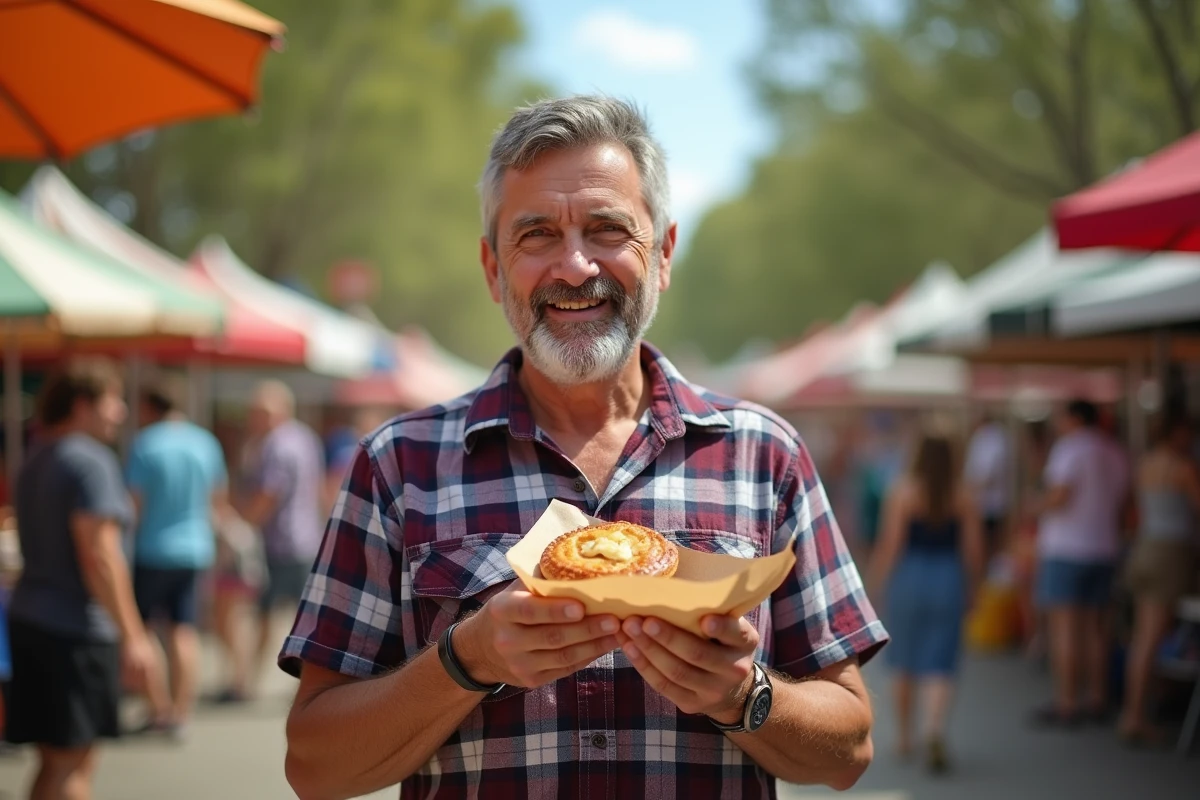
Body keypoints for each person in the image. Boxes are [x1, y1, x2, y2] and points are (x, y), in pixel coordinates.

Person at [280, 96, 888, 800]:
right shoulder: (397, 465)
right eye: (536, 234)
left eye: (606, 230)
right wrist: (464, 659)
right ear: (491, 267)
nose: (574, 266)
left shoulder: (765, 454)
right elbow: (316, 768)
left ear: (661, 254)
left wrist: (742, 695)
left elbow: (848, 749)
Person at [6, 358, 163, 798]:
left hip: (34, 619)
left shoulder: (37, 457)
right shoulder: (90, 461)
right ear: (82, 405)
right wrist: (133, 634)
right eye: (113, 401)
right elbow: (99, 554)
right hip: (74, 631)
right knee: (75, 762)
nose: (121, 412)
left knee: (54, 760)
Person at [869, 430, 984, 773]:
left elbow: (890, 545)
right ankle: (934, 729)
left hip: (909, 577)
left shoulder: (903, 490)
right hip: (947, 576)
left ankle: (905, 736)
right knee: (940, 659)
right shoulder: (963, 494)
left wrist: (875, 586)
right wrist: (974, 587)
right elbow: (973, 550)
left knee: (903, 659)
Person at [125, 373, 228, 737]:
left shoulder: (144, 444)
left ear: (150, 406)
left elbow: (132, 506)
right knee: (185, 630)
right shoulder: (205, 443)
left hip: (152, 549)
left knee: (146, 629)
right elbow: (218, 500)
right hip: (195, 548)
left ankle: (159, 708)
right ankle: (182, 712)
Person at [1032, 399, 1129, 727]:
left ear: (1074, 418)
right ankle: (1097, 697)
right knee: (1096, 629)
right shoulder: (1114, 450)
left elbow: (1061, 494)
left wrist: (1036, 506)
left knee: (1065, 629)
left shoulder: (1070, 448)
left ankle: (1068, 701)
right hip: (1104, 547)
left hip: (1067, 548)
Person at [238, 380, 324, 692]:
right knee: (307, 616)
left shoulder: (276, 444)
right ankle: (310, 680)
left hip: (281, 543)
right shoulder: (305, 438)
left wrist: (243, 523)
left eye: (259, 411)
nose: (253, 418)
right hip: (306, 539)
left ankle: (247, 681)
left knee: (265, 613)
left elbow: (268, 494)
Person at [1119, 417, 1200, 744]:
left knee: (1144, 636)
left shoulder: (1145, 464)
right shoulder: (1182, 468)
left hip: (1144, 548)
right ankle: (1135, 716)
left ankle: (1142, 709)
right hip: (1169, 553)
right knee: (1151, 638)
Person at [963, 411, 1011, 560]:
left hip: (990, 504)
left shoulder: (994, 439)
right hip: (982, 503)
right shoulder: (981, 439)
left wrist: (968, 490)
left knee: (988, 545)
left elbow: (988, 476)